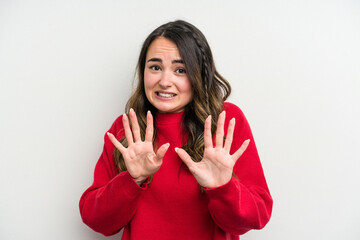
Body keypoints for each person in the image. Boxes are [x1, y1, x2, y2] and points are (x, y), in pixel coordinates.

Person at [79, 20, 272, 240]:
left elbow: (256, 217)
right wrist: (131, 180)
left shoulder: (225, 121)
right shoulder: (127, 129)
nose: (165, 81)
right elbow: (97, 221)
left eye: (180, 70)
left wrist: (223, 187)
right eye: (155, 67)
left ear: (199, 75)